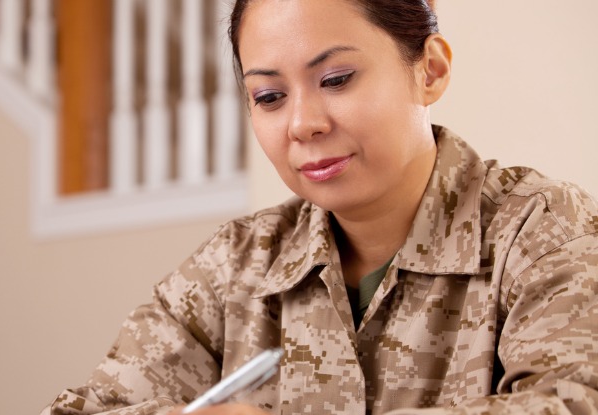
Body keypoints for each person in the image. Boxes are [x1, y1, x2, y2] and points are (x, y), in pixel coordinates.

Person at [42, 0, 598, 413]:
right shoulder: (235, 266)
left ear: (429, 70)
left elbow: (571, 401)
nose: (304, 123)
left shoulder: (544, 228)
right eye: (269, 97)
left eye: (336, 79)